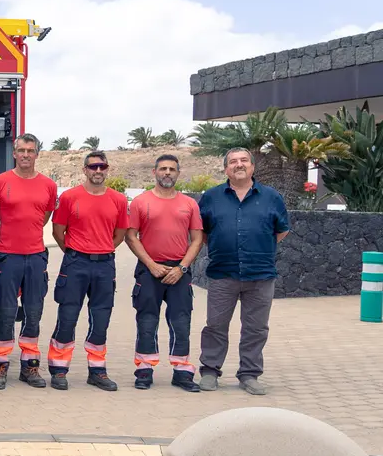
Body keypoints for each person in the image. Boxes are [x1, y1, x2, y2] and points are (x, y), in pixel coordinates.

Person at [197, 147, 289, 395]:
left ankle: (249, 374)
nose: (239, 165)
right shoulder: (211, 197)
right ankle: (209, 371)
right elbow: (202, 233)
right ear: (226, 169)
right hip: (222, 273)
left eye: (244, 160)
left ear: (252, 166)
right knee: (215, 325)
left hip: (260, 275)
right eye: (233, 162)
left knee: (256, 328)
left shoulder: (272, 197)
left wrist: (258, 248)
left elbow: (281, 230)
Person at [47, 151, 128, 391]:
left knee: (100, 319)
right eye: (93, 167)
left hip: (105, 265)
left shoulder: (119, 200)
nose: (98, 171)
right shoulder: (70, 197)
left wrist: (101, 250)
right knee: (67, 316)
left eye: (102, 166)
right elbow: (58, 231)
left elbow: (120, 234)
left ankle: (97, 371)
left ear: (107, 168)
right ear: (85, 170)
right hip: (75, 264)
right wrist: (76, 252)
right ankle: (59, 369)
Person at [125, 154, 204, 392]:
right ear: (154, 172)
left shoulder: (189, 204)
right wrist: (151, 265)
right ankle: (144, 370)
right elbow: (130, 236)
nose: (167, 172)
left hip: (179, 271)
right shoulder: (140, 202)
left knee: (181, 321)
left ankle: (182, 372)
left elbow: (197, 239)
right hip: (150, 270)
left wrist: (182, 268)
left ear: (178, 173)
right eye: (163, 169)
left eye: (172, 169)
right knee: (147, 320)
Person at [0, 133, 57, 390]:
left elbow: (45, 216)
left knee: (33, 312)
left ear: (37, 154)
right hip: (7, 256)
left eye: (31, 150)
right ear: (14, 153)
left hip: (36, 256)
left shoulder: (49, 185)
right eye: (21, 150)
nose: (26, 154)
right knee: (5, 312)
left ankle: (30, 367)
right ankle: (0, 366)